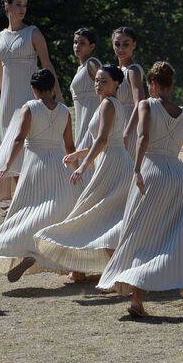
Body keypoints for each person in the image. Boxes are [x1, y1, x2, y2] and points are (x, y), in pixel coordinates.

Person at [97, 62, 183, 318]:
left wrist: (136, 168)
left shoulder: (147, 104)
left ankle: (137, 298)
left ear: (153, 84)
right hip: (179, 176)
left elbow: (143, 137)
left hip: (153, 173)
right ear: (171, 84)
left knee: (139, 233)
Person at [33, 65, 134, 279]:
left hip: (113, 164)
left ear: (116, 83)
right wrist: (78, 154)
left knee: (91, 211)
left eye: (104, 81)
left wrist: (83, 165)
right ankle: (78, 268)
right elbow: (105, 142)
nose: (98, 84)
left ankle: (112, 269)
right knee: (94, 212)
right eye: (96, 80)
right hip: (112, 160)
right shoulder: (108, 104)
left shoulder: (108, 104)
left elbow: (104, 140)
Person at [0, 69, 78, 283]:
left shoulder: (30, 107)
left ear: (34, 89)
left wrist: (6, 165)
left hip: (35, 165)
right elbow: (70, 146)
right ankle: (42, 253)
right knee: (56, 211)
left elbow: (19, 139)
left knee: (26, 209)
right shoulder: (64, 111)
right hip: (59, 164)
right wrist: (77, 170)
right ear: (53, 88)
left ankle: (27, 250)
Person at [0, 0, 61, 201]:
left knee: (25, 143)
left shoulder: (33, 33)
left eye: (25, 5)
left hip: (29, 95)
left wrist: (57, 95)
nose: (22, 9)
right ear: (6, 6)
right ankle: (20, 198)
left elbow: (47, 65)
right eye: (18, 4)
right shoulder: (0, 37)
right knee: (9, 146)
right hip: (8, 100)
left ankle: (27, 198)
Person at [110, 26, 147, 148]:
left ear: (134, 45)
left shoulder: (133, 70)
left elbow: (140, 102)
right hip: (117, 125)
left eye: (125, 44)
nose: (120, 48)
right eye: (117, 44)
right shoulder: (115, 71)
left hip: (130, 127)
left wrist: (127, 133)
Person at [68, 27, 104, 150]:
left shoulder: (92, 63)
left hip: (92, 120)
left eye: (82, 43)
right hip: (81, 122)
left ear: (92, 46)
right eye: (75, 42)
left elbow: (106, 81)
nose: (77, 46)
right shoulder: (80, 68)